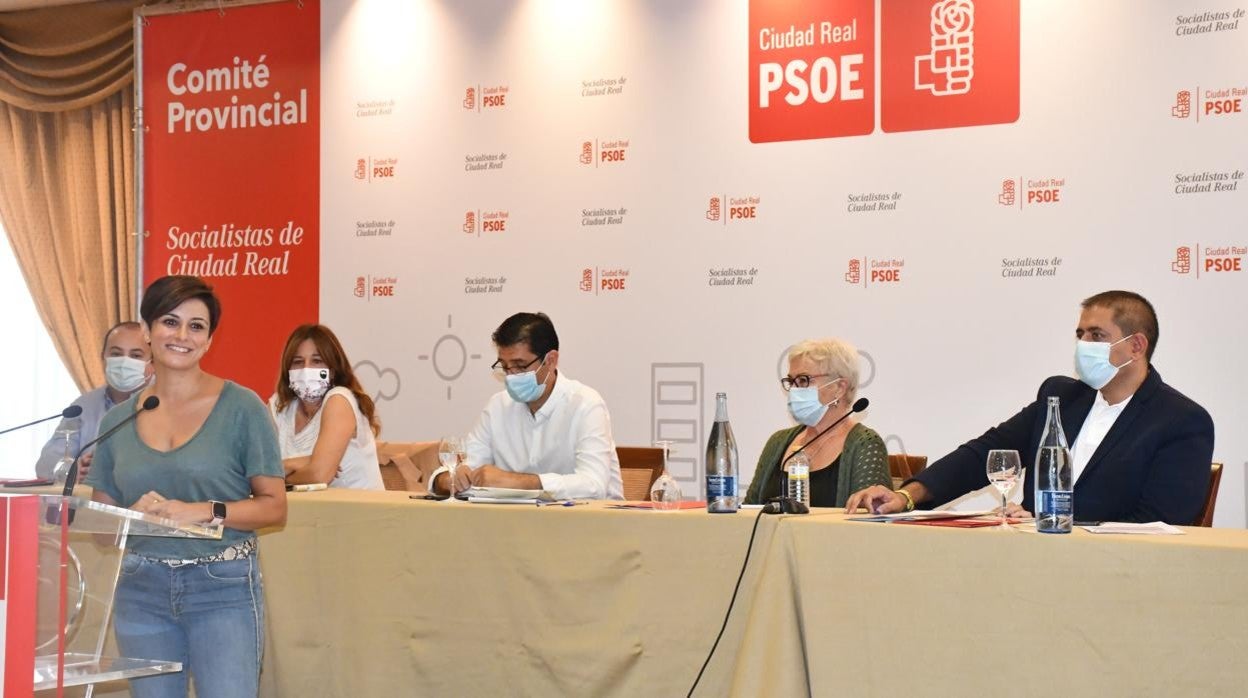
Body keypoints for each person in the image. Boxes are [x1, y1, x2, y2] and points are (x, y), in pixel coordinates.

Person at [846, 290, 1215, 525]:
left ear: (1136, 346)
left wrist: (1049, 520)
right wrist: (907, 496)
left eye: (1097, 335)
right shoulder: (1061, 397)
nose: (1084, 344)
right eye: (1080, 334)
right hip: (1031, 567)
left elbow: (1160, 521)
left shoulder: (1181, 421)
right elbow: (985, 452)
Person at [86, 275, 286, 698]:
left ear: (210, 340)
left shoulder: (243, 408)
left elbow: (274, 507)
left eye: (196, 326)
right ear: (147, 330)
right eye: (170, 322)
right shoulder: (116, 421)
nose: (181, 336)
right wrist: (131, 516)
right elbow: (102, 528)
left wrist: (205, 510)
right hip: (141, 587)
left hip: (223, 586)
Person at [428, 312, 624, 500]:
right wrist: (448, 480)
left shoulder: (585, 404)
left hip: (587, 520)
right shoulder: (498, 406)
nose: (511, 376)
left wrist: (516, 482)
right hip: (515, 520)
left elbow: (593, 485)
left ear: (551, 360)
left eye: (520, 366)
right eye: (505, 366)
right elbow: (463, 467)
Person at [745, 338, 891, 507]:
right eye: (791, 382)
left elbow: (869, 515)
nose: (794, 390)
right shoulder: (777, 442)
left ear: (839, 388)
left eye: (803, 380)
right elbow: (749, 509)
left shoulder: (865, 444)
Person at [269, 324, 384, 490]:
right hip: (301, 506)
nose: (306, 369)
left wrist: (284, 468)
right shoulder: (279, 406)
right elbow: (256, 472)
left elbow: (319, 476)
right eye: (298, 362)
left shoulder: (339, 399)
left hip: (356, 505)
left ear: (333, 369)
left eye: (317, 361)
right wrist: (304, 463)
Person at [35, 321, 152, 480]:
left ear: (153, 362)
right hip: (86, 494)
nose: (124, 362)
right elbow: (45, 465)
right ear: (103, 358)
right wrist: (72, 469)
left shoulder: (166, 404)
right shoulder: (83, 406)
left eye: (136, 356)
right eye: (116, 354)